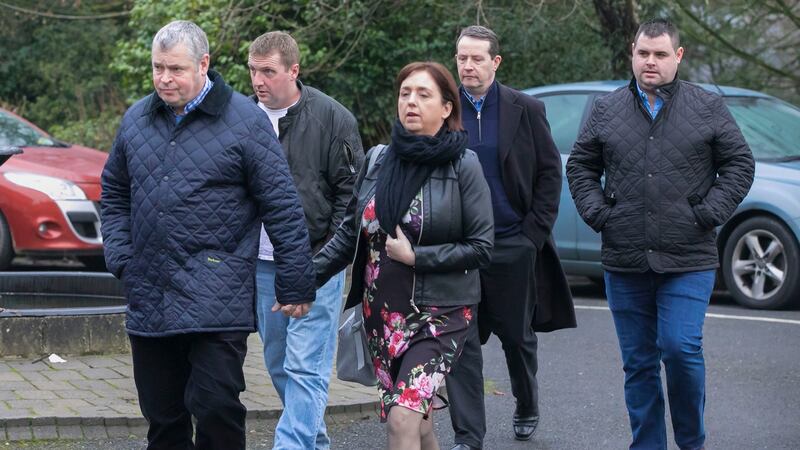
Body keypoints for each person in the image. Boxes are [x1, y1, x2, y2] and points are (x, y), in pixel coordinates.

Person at [101, 20, 315, 450]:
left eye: (175, 69)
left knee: (216, 407)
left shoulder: (246, 121)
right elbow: (114, 191)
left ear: (203, 64)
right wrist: (121, 255)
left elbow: (281, 204)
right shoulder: (138, 119)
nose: (164, 78)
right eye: (157, 68)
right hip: (151, 293)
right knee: (163, 418)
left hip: (217, 294)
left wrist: (296, 280)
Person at [566, 18, 755, 450]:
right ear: (633, 52)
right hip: (624, 257)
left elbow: (740, 164)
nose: (650, 62)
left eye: (660, 54)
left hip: (688, 257)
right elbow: (580, 166)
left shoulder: (706, 107)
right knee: (638, 364)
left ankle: (691, 442)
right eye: (643, 53)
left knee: (679, 348)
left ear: (678, 56)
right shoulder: (605, 108)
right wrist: (600, 214)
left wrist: (708, 213)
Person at [314, 61, 494, 450]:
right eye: (405, 93)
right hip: (383, 316)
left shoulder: (464, 165)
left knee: (401, 418)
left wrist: (418, 257)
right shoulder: (379, 159)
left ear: (447, 108)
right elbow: (350, 233)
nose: (411, 101)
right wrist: (303, 279)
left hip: (440, 314)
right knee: (419, 420)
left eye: (423, 94)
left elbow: (481, 246)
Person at [445, 25, 577, 450]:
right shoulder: (444, 108)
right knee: (462, 340)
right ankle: (469, 435)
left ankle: (526, 403)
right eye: (462, 58)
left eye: (476, 58)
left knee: (516, 338)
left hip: (511, 244)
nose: (467, 66)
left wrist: (531, 236)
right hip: (459, 247)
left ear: (495, 62)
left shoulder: (526, 108)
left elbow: (549, 173)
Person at [246, 31, 364, 450]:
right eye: (253, 70)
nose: (258, 81)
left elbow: (350, 200)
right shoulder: (241, 118)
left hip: (316, 260)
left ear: (293, 70)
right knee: (278, 362)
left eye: (269, 72)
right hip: (259, 264)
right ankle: (313, 441)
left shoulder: (333, 119)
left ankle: (290, 445)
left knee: (306, 367)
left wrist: (325, 260)